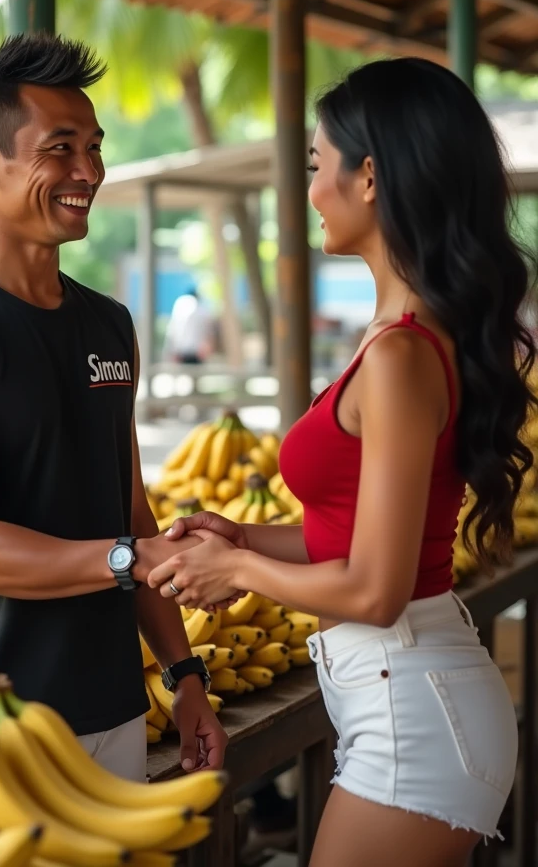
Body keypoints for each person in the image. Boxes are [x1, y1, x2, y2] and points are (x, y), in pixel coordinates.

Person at [152, 57, 534, 865]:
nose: (311, 189)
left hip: (414, 715)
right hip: (406, 697)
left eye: (319, 166)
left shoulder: (401, 355)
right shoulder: (401, 338)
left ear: (371, 177)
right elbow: (353, 536)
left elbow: (375, 587)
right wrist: (247, 539)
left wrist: (239, 572)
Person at [0, 34, 227, 781]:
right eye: (60, 149)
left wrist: (184, 674)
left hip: (116, 707)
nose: (88, 171)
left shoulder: (108, 323)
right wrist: (130, 561)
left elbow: (128, 508)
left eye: (94, 147)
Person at [163, 286, 214, 364]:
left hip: (181, 351)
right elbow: (207, 330)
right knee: (195, 374)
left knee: (183, 374)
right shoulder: (200, 307)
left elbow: (172, 330)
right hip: (196, 352)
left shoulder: (180, 305)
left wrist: (171, 350)